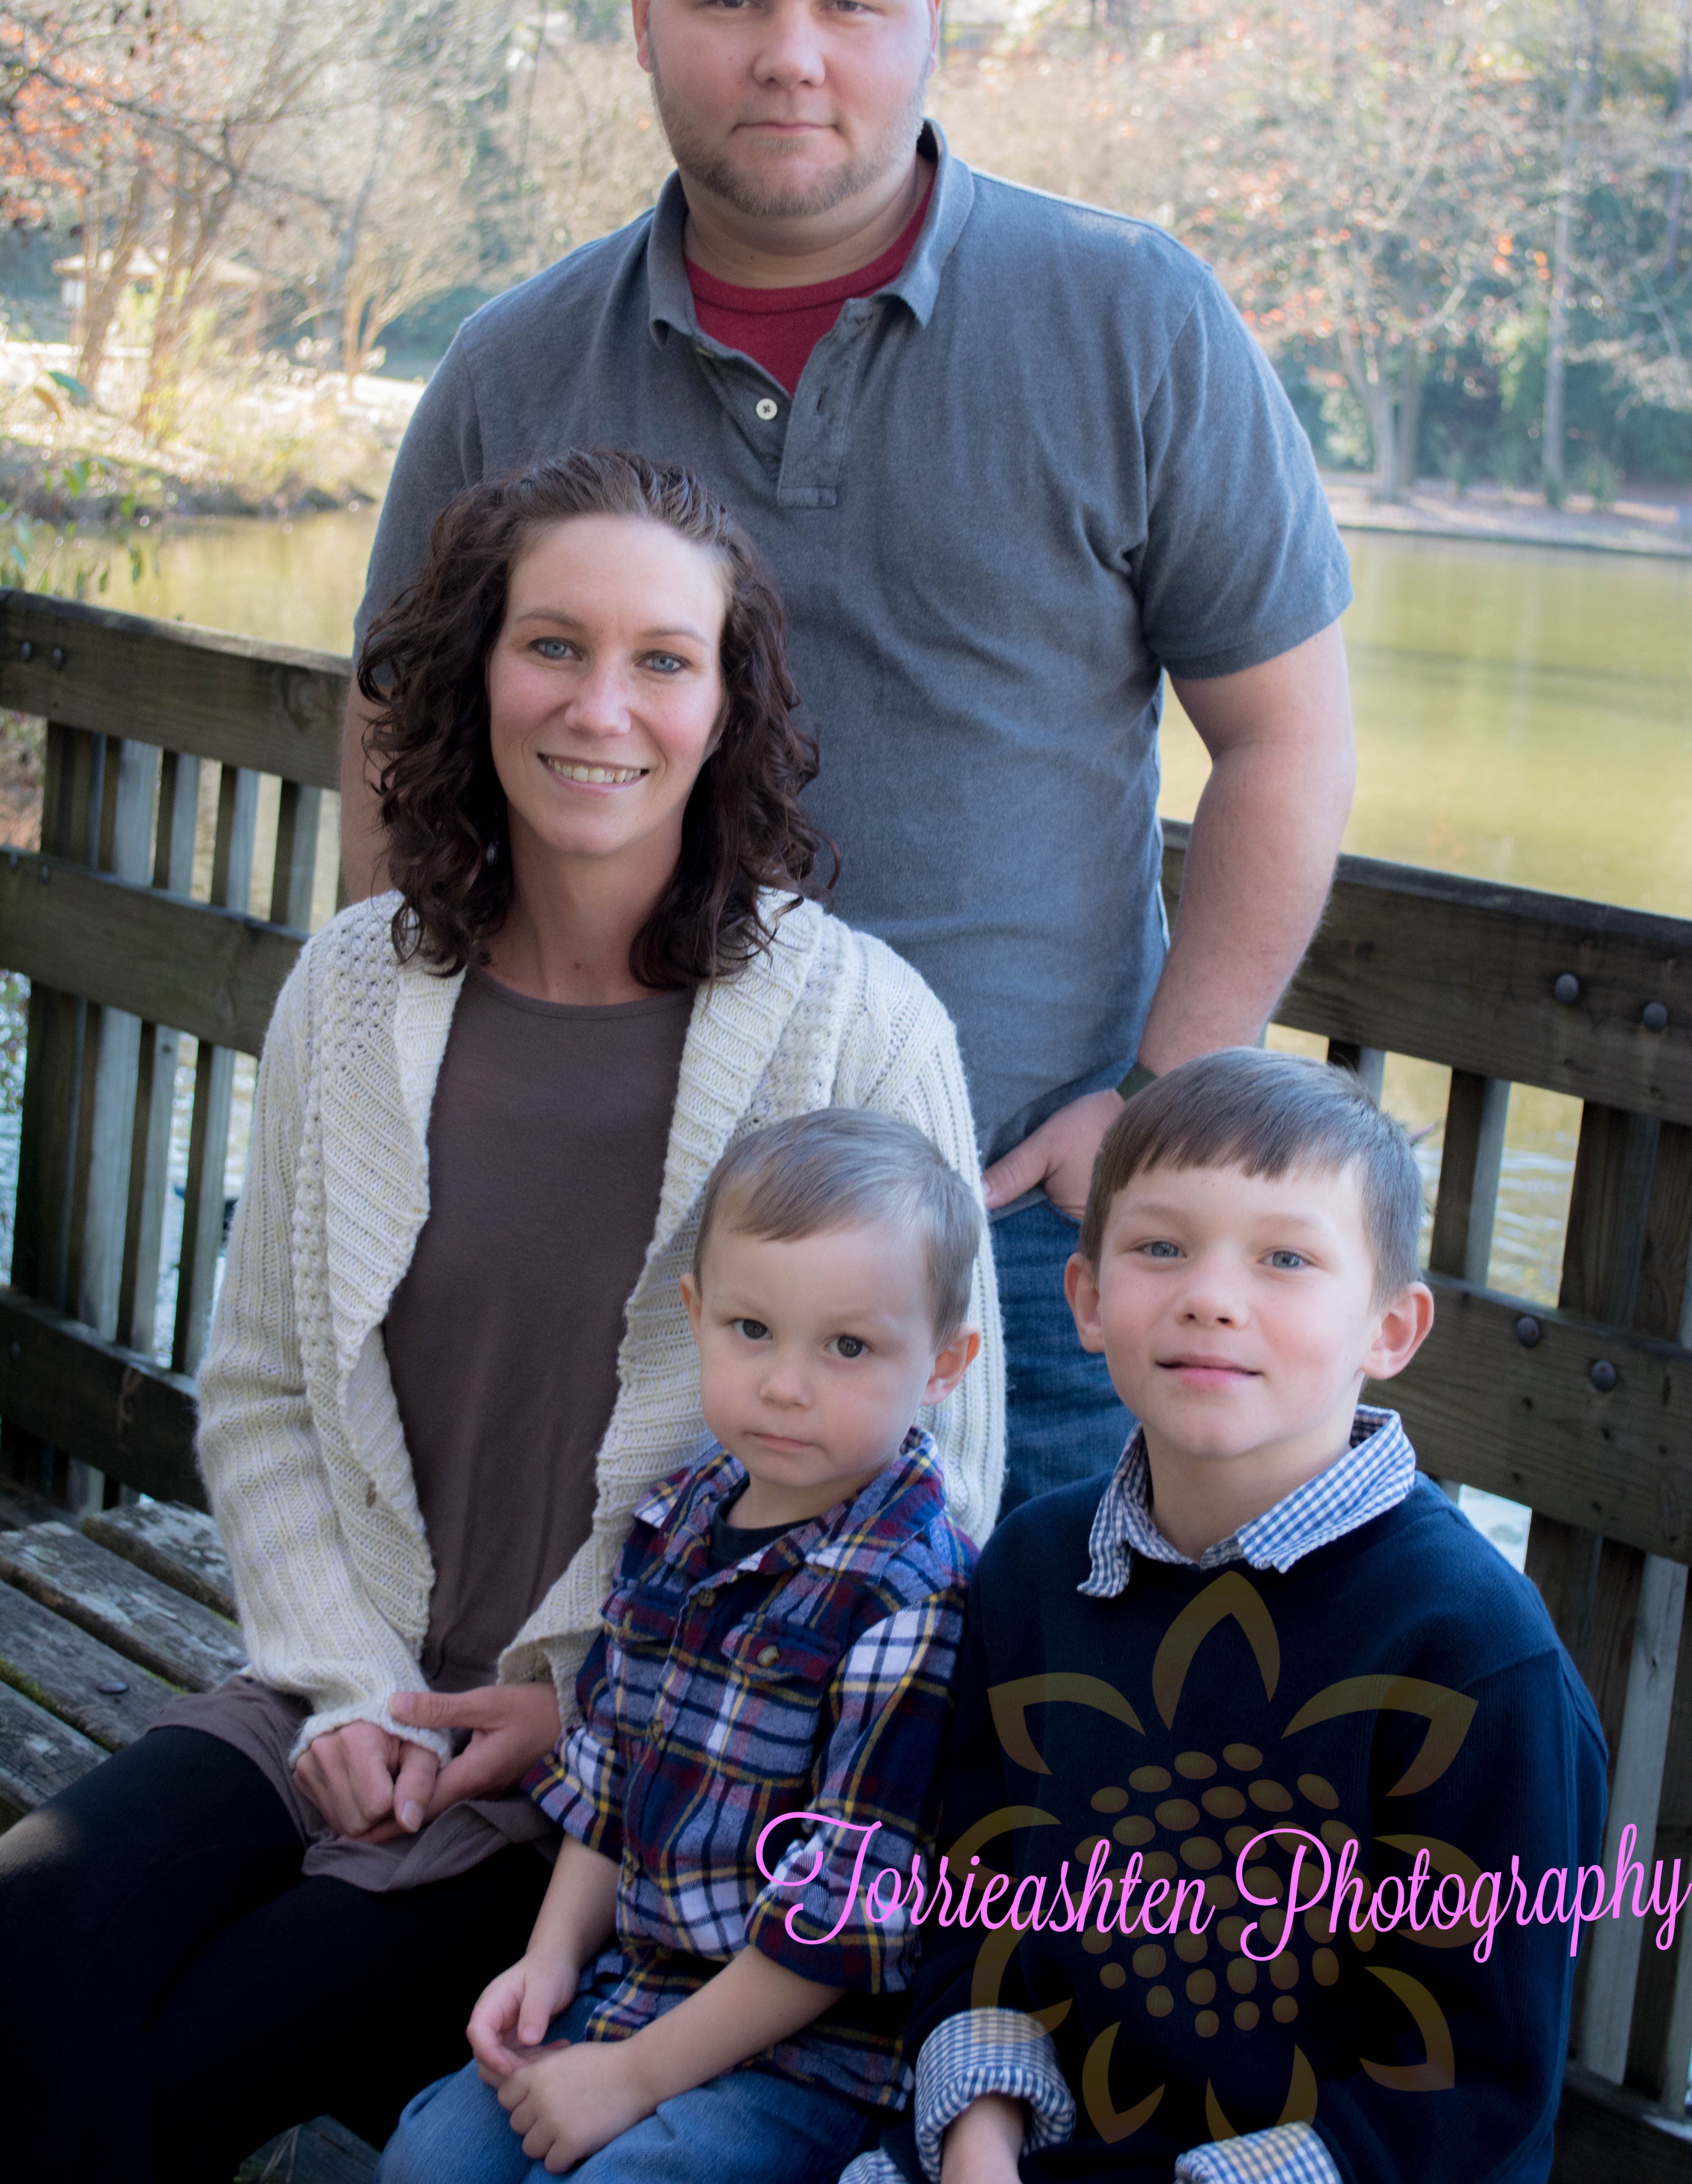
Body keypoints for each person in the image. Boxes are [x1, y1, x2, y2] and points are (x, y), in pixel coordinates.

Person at [339, 0, 1358, 1513]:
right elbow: (394, 734)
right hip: (611, 1225)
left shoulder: (1134, 321)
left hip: (1009, 1237)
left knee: (1009, 1678)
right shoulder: (516, 367)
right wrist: (410, 1081)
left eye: (851, 5)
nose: (790, 57)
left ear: (931, 18)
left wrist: (1163, 1100)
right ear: (644, 17)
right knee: (573, 1664)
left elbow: (1285, 735)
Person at [0, 453, 1002, 2184]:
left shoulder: (858, 1028)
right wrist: (348, 1691)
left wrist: (586, 1706)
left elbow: (932, 1490)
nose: (601, 707)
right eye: (553, 645)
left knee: (176, 2070)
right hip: (338, 1688)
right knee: (29, 1944)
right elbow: (260, 1390)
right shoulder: (355, 988)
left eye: (663, 660)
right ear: (475, 672)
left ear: (728, 704)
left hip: (608, 1795)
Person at [849, 1050, 1607, 2184]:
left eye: (1285, 1258)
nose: (1210, 1295)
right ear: (1087, 1299)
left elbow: (1476, 2075)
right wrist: (978, 2135)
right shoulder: (1032, 1572)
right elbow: (975, 1902)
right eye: (1160, 1248)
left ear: (1390, 1329)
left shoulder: (1472, 1655)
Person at [378, 1108, 986, 2184]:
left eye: (847, 1347)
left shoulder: (911, 1595)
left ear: (942, 1365)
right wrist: (549, 1963)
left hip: (808, 2057)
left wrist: (632, 2078)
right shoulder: (681, 1517)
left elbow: (842, 1921)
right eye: (752, 1329)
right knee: (429, 2161)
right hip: (634, 1986)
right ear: (696, 1315)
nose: (785, 1384)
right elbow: (612, 1776)